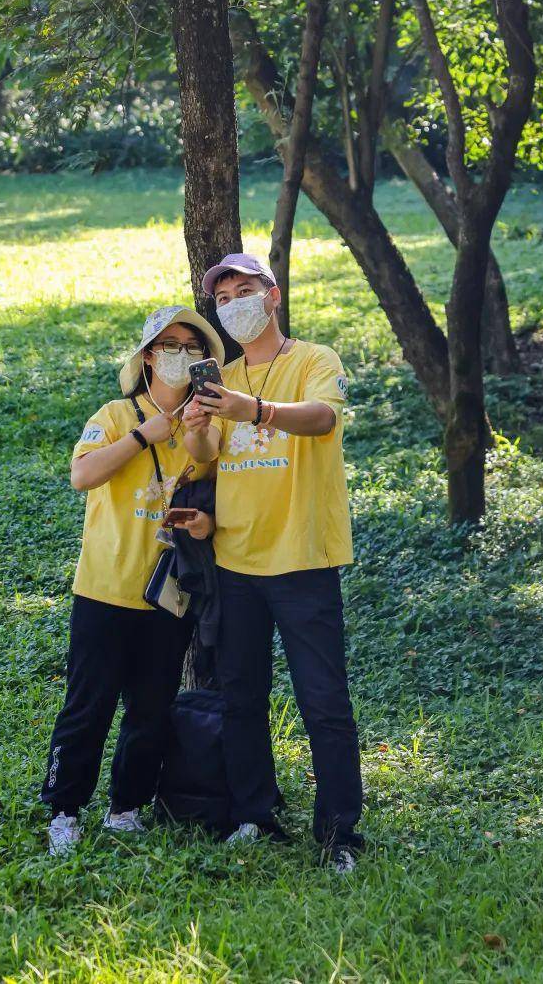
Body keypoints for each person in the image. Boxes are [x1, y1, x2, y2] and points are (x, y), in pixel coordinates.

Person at [189, 253, 364, 872]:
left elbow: (323, 419)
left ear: (273, 296)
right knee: (241, 696)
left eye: (245, 290)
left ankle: (339, 834)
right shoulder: (221, 376)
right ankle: (252, 815)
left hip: (303, 558)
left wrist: (256, 410)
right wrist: (198, 424)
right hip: (235, 560)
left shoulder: (315, 360)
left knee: (323, 701)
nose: (233, 302)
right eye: (223, 296)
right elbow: (206, 458)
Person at [41, 305, 223, 853]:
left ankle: (126, 807)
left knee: (152, 707)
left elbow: (213, 482)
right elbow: (83, 475)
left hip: (168, 593)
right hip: (105, 588)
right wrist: (144, 435)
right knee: (88, 704)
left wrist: (203, 519)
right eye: (170, 346)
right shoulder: (117, 415)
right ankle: (64, 809)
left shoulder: (205, 424)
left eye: (192, 348)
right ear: (148, 358)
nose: (181, 356)